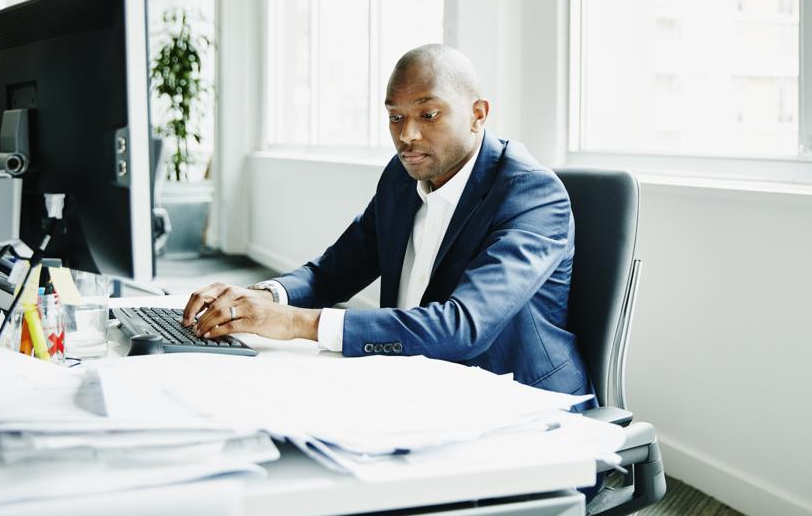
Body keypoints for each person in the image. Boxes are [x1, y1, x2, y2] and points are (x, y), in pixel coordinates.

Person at [183, 44, 596, 407]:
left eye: (428, 114)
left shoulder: (531, 194)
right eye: (395, 117)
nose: (407, 135)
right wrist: (257, 298)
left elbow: (463, 327)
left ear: (477, 115)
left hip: (521, 406)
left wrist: (294, 322)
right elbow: (330, 273)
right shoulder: (402, 179)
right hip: (414, 387)